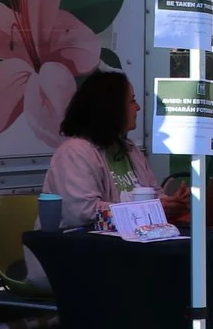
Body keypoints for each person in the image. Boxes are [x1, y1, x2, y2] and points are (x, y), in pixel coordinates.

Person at [41, 71, 167, 228]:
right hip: (83, 247)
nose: (138, 107)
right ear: (111, 108)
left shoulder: (130, 149)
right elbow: (84, 213)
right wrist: (147, 210)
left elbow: (155, 193)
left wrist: (171, 203)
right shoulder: (74, 153)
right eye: (132, 101)